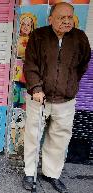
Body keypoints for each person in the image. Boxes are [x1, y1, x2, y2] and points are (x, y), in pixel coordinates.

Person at [22, 2, 91, 193]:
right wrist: (36, 88)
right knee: (33, 136)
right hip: (39, 98)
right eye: (62, 17)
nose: (67, 21)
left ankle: (51, 173)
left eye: (70, 17)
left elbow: (83, 64)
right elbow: (30, 64)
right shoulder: (38, 36)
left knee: (59, 139)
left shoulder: (80, 38)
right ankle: (29, 173)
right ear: (51, 18)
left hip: (66, 100)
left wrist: (70, 84)